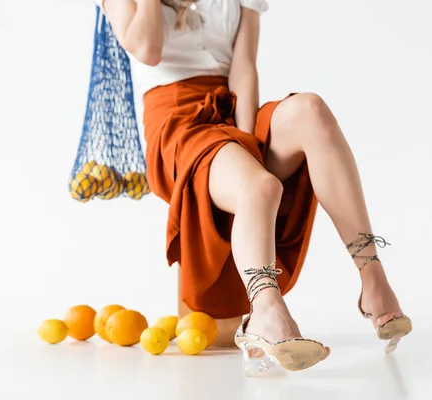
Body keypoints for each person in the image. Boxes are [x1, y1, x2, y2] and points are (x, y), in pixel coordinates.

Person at [98, 0, 412, 373]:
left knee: (311, 110)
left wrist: (247, 145)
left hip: (231, 114)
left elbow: (244, 68)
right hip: (177, 125)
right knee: (261, 188)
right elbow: (147, 51)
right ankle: (265, 311)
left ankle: (372, 277)